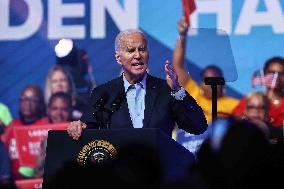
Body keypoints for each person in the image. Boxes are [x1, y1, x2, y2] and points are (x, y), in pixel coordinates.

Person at [67, 29, 207, 140]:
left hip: (158, 170)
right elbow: (86, 129)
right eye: (130, 50)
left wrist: (178, 90)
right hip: (118, 171)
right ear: (118, 58)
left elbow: (198, 126)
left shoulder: (166, 90)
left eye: (142, 49)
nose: (138, 55)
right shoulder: (103, 93)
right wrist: (77, 127)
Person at [172, 17, 239, 123]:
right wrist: (182, 35)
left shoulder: (235, 105)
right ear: (202, 84)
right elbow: (178, 66)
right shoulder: (193, 93)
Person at [233, 56, 284, 127]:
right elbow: (235, 121)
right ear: (264, 74)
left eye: (281, 73)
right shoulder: (250, 99)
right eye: (272, 73)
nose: (276, 77)